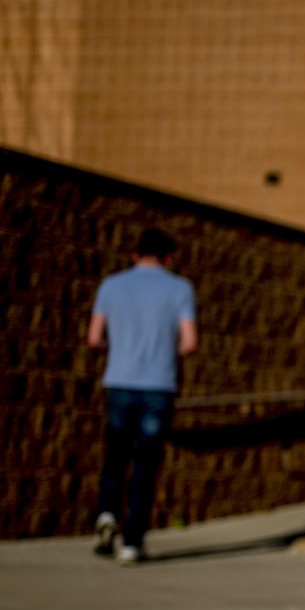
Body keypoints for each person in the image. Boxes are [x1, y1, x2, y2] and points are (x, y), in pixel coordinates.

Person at [87, 228, 197, 564]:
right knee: (146, 464)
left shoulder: (111, 285)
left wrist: (118, 349)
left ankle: (107, 514)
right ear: (168, 258)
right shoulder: (180, 288)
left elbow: (94, 338)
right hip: (158, 386)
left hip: (120, 380)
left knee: (116, 455)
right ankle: (132, 541)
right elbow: (189, 343)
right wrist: (166, 352)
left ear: (135, 255)